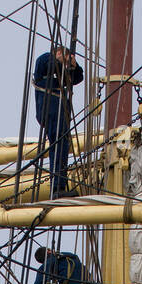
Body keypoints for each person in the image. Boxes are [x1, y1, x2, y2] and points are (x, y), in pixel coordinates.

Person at [32, 45, 84, 196]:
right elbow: (51, 66)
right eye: (63, 54)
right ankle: (58, 187)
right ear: (57, 52)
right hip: (50, 108)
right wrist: (62, 61)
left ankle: (59, 185)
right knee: (59, 142)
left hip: (59, 111)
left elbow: (77, 78)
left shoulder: (60, 72)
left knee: (61, 144)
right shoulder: (45, 59)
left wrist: (74, 66)